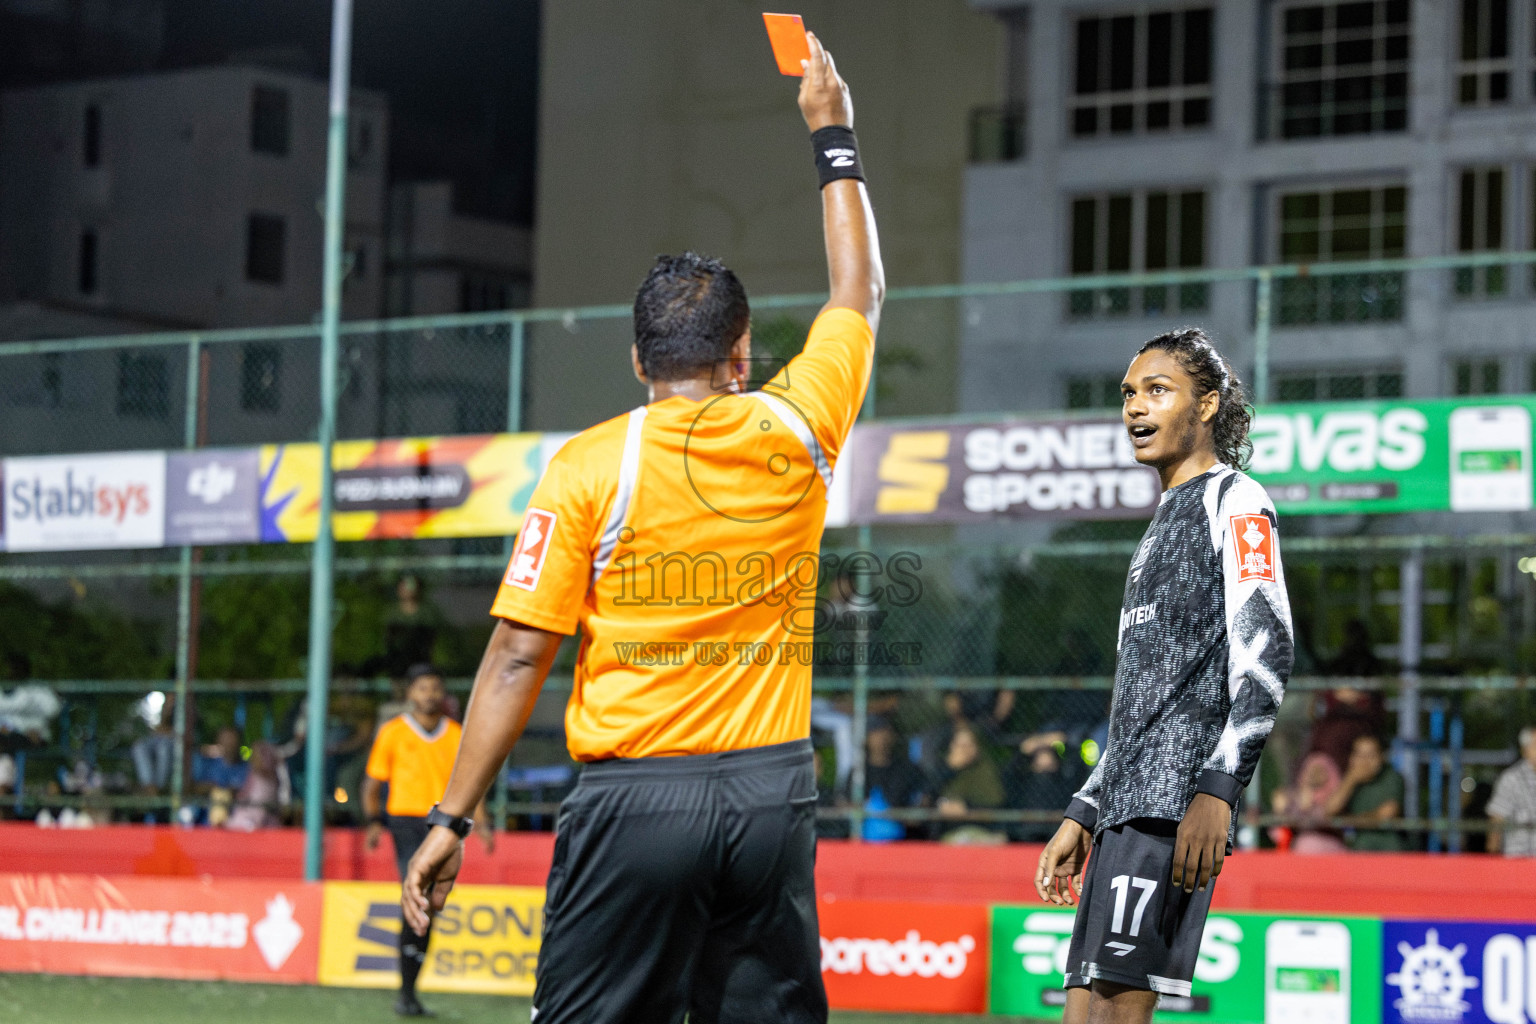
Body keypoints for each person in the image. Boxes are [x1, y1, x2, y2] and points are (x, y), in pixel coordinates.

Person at [400, 32, 883, 1024]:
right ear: (741, 353)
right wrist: (832, 131)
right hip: (770, 795)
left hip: (635, 801)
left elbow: (515, 652)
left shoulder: (587, 465)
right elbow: (859, 292)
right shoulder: (799, 421)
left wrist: (454, 814)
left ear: (636, 359)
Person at [1035, 328, 1295, 1024]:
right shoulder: (1159, 524)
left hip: (1169, 810)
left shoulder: (1236, 500)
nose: (1134, 408)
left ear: (1207, 404)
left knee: (1117, 1011)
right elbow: (1143, 698)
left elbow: (1267, 648)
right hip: (1123, 809)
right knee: (1083, 1009)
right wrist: (1085, 809)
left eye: (1157, 390)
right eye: (1128, 393)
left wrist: (1218, 788)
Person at [362, 665, 494, 1017]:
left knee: (426, 906)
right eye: (422, 688)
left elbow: (473, 783)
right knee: (417, 893)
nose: (429, 694)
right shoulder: (392, 733)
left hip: (443, 823)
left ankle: (409, 994)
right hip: (405, 824)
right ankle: (406, 993)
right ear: (410, 693)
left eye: (435, 688)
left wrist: (481, 823)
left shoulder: (456, 734)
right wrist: (374, 822)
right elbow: (372, 786)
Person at [1323, 733, 1405, 852]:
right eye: (1360, 755)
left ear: (1381, 757)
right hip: (1358, 846)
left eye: (1371, 755)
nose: (1364, 761)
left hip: (1388, 847)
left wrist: (1351, 821)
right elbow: (1329, 810)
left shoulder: (1391, 777)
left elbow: (1387, 813)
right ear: (1351, 757)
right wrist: (1350, 780)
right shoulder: (1349, 778)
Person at [935, 721, 1007, 843]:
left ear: (977, 748)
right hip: (949, 833)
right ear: (951, 746)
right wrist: (950, 769)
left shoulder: (986, 771)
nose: (964, 750)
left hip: (983, 831)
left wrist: (966, 809)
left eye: (968, 745)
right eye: (960, 745)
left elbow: (996, 805)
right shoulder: (941, 770)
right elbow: (927, 795)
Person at [1269, 752, 1347, 854]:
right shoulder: (1294, 795)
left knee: (1307, 843)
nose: (1315, 774)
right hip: (1299, 849)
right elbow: (1277, 833)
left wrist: (1307, 809)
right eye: (1312, 769)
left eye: (1320, 770)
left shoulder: (1337, 796)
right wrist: (1280, 811)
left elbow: (1326, 815)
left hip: (1329, 847)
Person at [1488, 726, 1536, 856]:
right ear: (1525, 750)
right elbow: (1497, 818)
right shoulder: (1511, 779)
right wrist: (1493, 857)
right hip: (1519, 859)